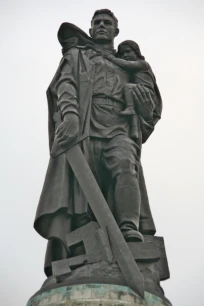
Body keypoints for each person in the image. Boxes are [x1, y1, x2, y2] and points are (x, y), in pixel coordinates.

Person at [34, 9, 162, 277]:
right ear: (91, 30)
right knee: (82, 193)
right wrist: (69, 117)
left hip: (118, 127)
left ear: (116, 31)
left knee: (126, 166)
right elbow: (65, 86)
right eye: (97, 23)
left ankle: (129, 227)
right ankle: (85, 254)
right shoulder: (77, 56)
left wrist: (143, 103)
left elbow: (150, 108)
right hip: (84, 128)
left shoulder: (129, 63)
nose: (102, 26)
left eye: (107, 23)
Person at [103, 40, 159, 138]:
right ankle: (134, 131)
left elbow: (126, 65)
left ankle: (129, 107)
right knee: (133, 113)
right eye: (122, 53)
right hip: (137, 90)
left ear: (136, 52)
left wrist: (111, 58)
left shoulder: (143, 64)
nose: (125, 55)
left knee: (128, 87)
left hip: (145, 92)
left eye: (128, 52)